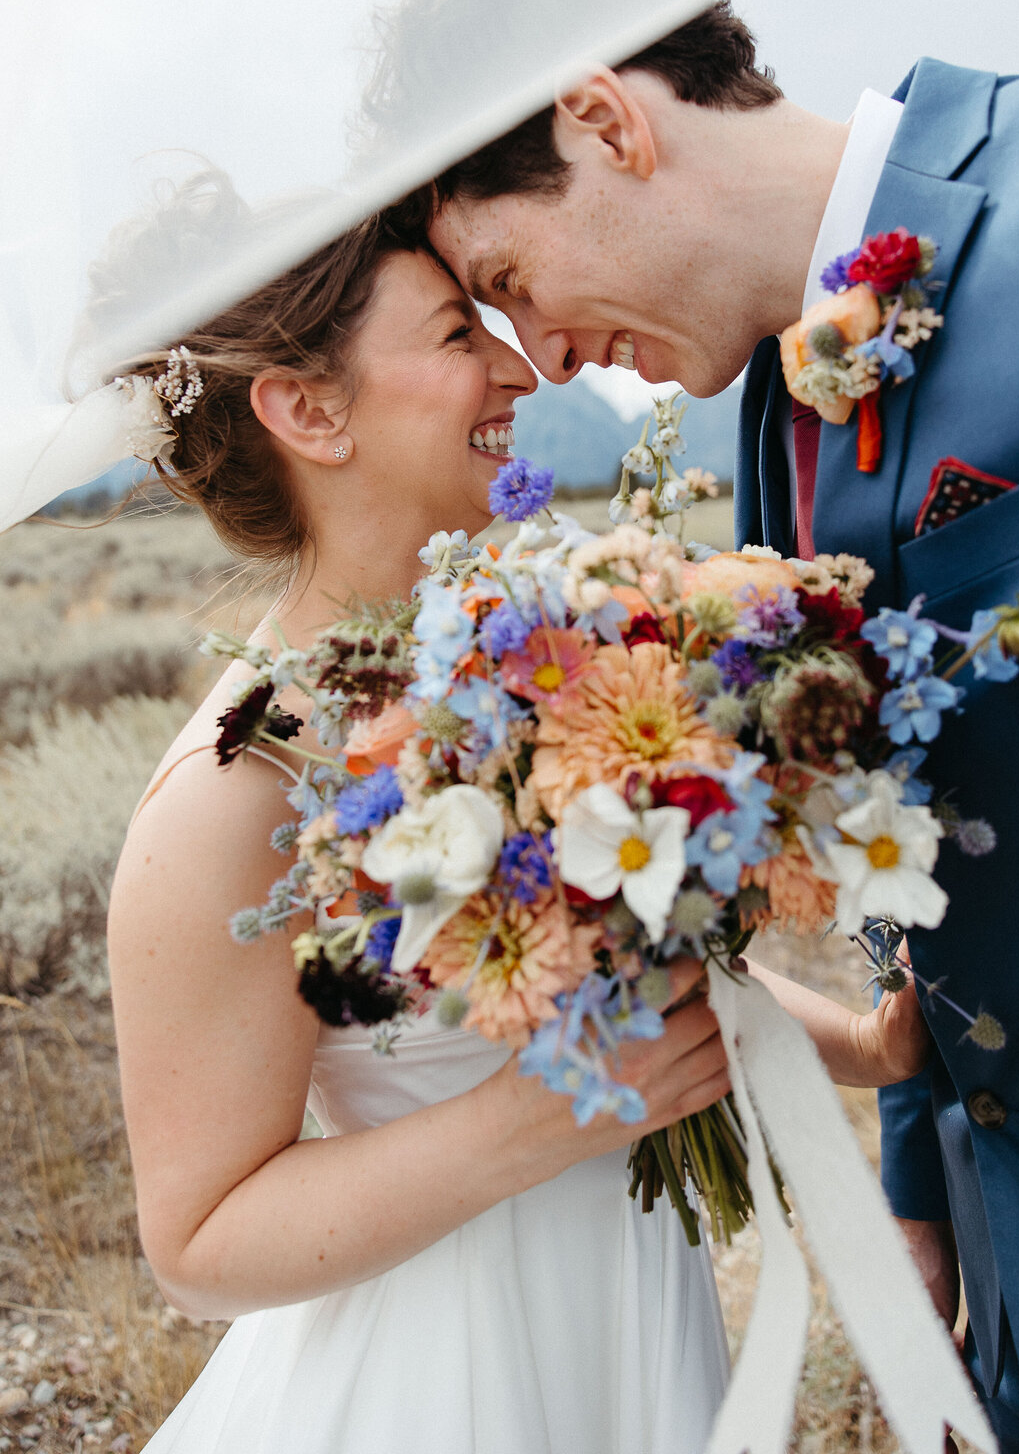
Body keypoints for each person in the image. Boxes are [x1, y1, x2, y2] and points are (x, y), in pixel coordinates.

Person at [381, 0, 1019, 1454]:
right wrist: (919, 1175)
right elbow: (915, 839)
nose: (547, 362)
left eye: (511, 274)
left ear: (605, 117)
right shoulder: (767, 432)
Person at [105, 169, 928, 1454]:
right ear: (310, 410)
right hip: (452, 1386)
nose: (521, 375)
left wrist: (866, 1053)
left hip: (627, 1319)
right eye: (454, 335)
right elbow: (198, 1242)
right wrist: (534, 1121)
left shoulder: (522, 649)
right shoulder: (233, 797)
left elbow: (634, 971)